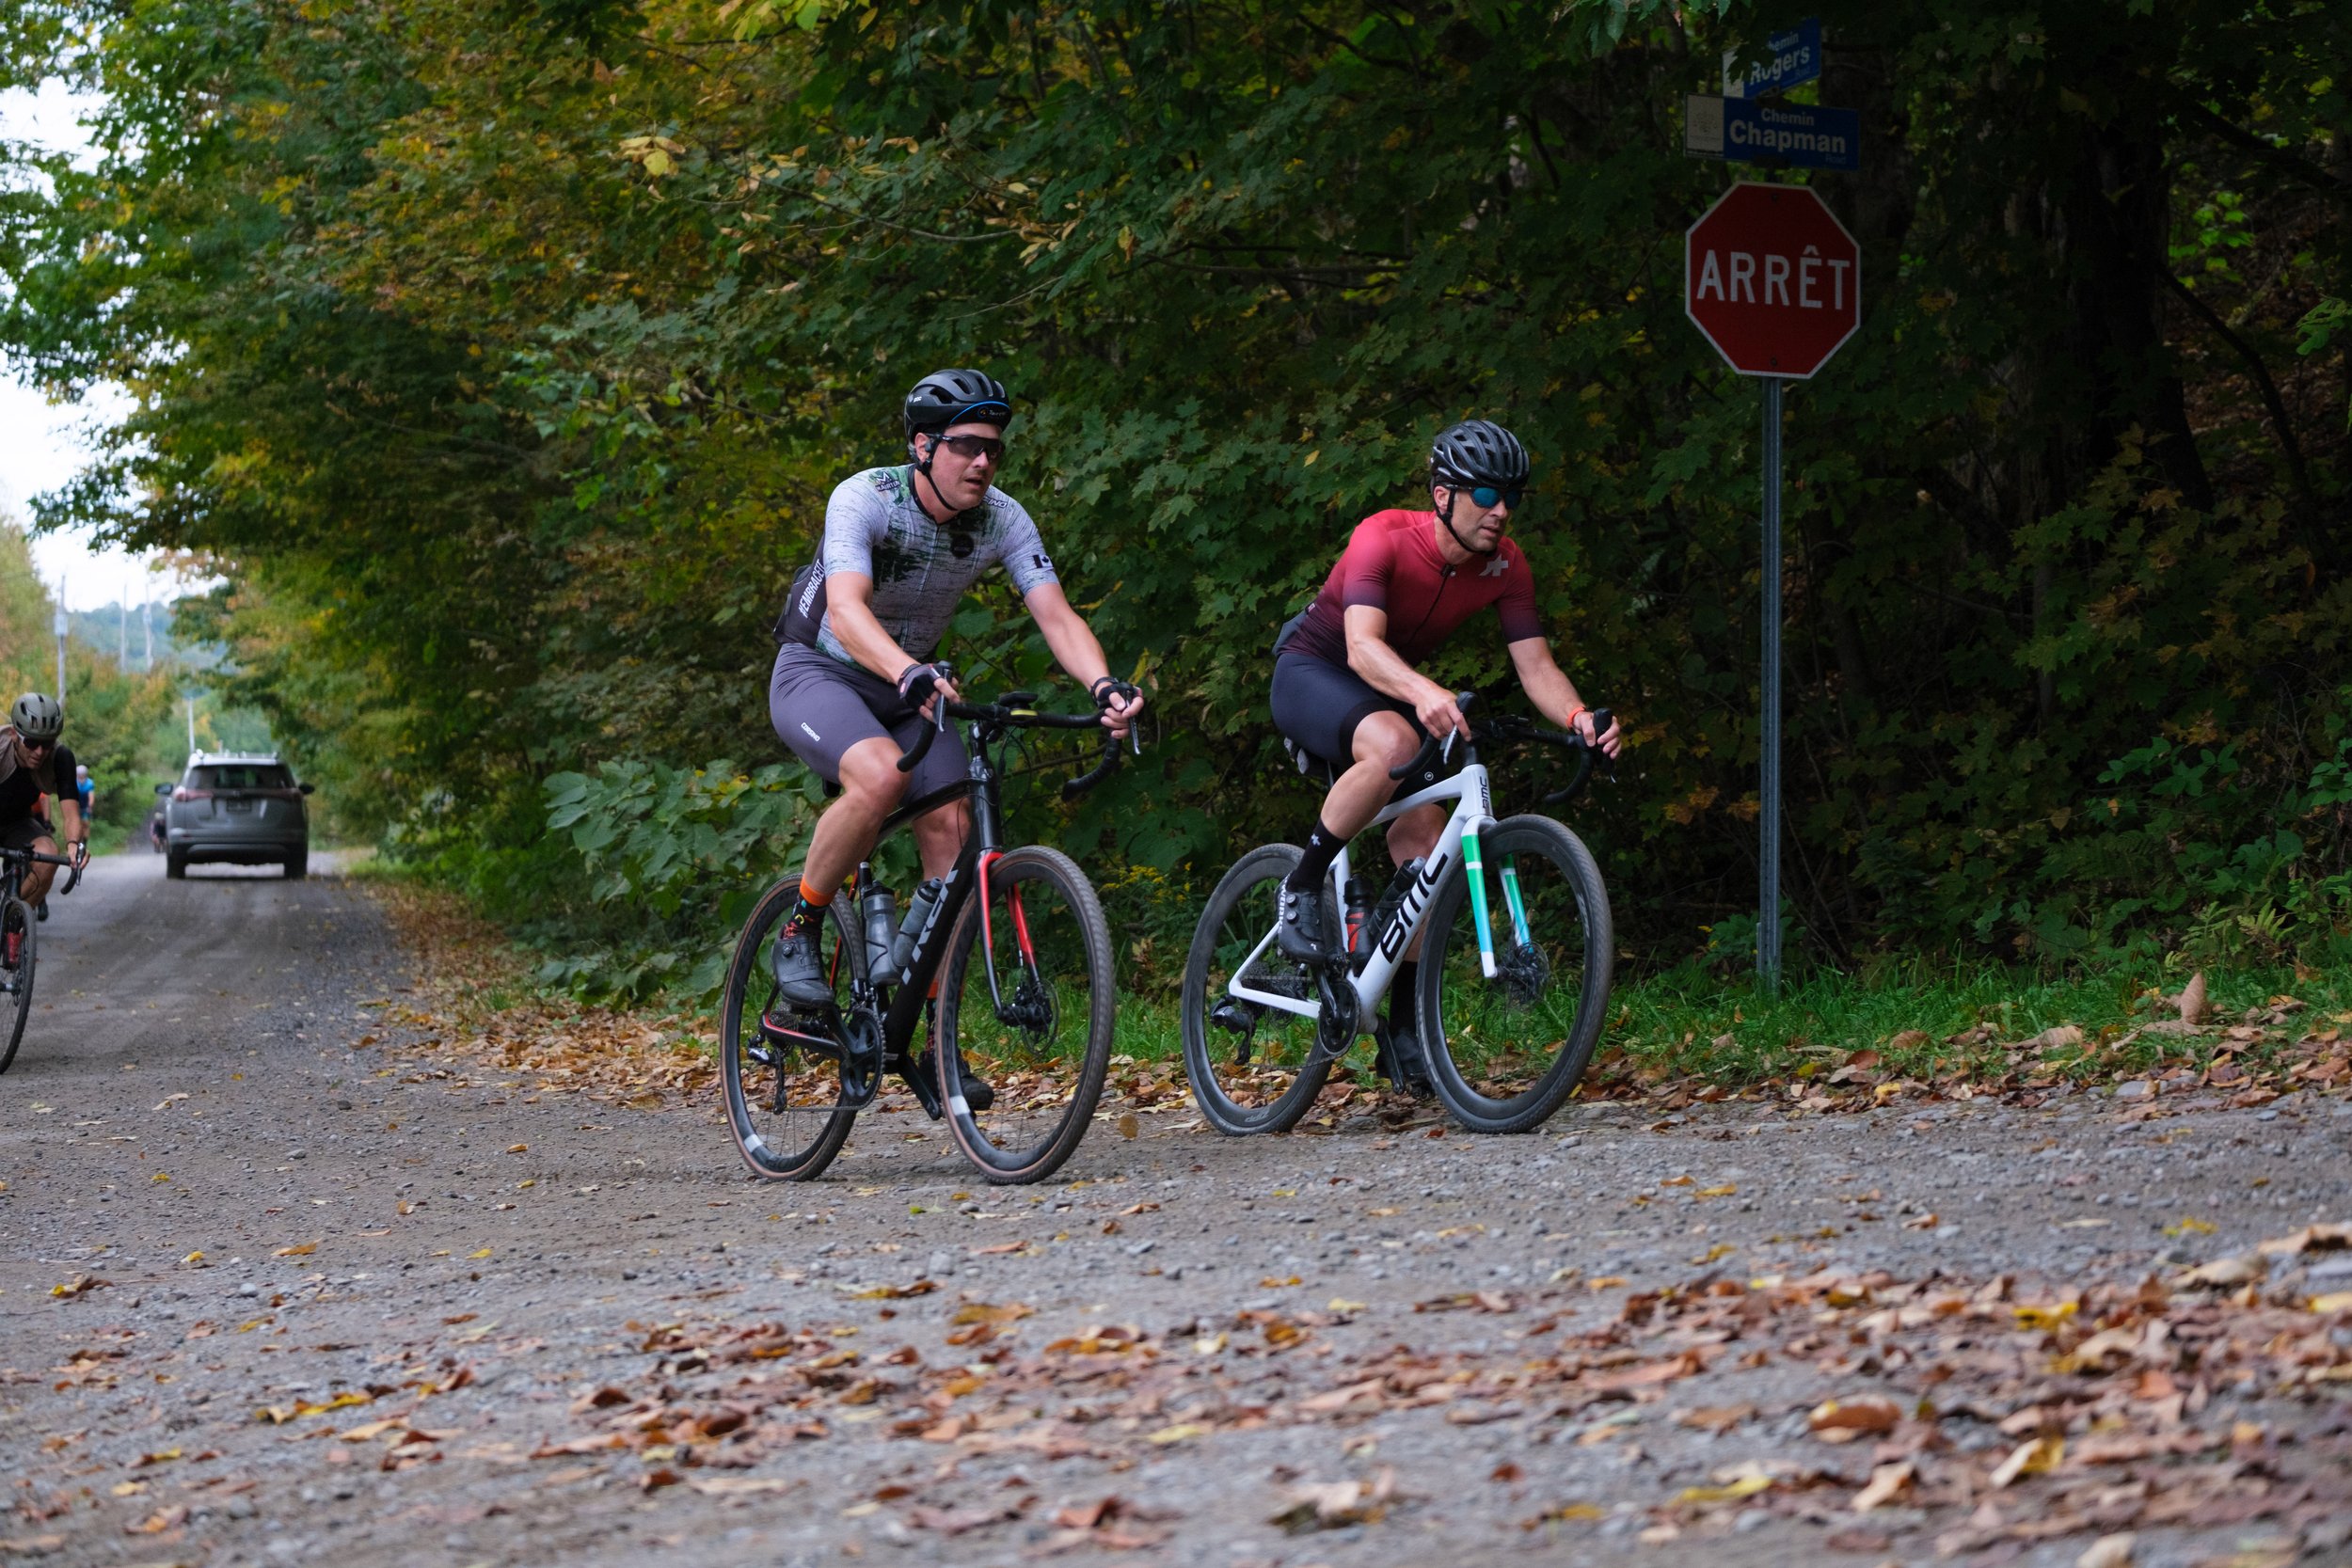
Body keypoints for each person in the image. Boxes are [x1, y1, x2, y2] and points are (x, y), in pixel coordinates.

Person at [765, 369, 1143, 1106]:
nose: (983, 461)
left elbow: (1056, 615)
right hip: (821, 670)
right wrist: (907, 669)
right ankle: (799, 928)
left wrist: (1103, 685)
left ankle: (933, 1032)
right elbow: (846, 609)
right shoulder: (867, 498)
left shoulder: (1003, 519)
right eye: (967, 445)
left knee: (957, 826)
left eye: (994, 449)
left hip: (913, 684)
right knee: (882, 776)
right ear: (922, 445)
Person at [1267, 419, 1624, 1093]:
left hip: (1390, 688)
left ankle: (1401, 1031)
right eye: (1485, 493)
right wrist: (1425, 692)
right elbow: (1362, 648)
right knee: (1397, 742)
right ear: (1442, 495)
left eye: (1511, 496)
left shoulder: (1506, 565)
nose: (1501, 510)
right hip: (1315, 669)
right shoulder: (1383, 536)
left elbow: (1536, 666)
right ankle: (1301, 884)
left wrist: (1580, 717)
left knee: (1428, 851)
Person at [0, 694, 89, 924]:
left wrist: (73, 846)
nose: (40, 752)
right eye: (31, 743)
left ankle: (11, 919)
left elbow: (71, 815)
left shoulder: (60, 757)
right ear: (14, 734)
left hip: (17, 822)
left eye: (47, 743)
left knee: (48, 855)